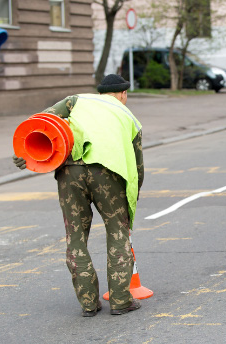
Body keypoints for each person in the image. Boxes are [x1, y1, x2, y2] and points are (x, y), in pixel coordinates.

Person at [13, 74, 144, 317]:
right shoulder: (129, 118)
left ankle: (88, 304)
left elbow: (38, 123)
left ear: (100, 92)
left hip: (70, 172)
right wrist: (132, 194)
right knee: (117, 231)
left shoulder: (75, 101)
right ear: (123, 94)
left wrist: (26, 153)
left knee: (75, 237)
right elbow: (137, 167)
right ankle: (121, 301)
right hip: (109, 174)